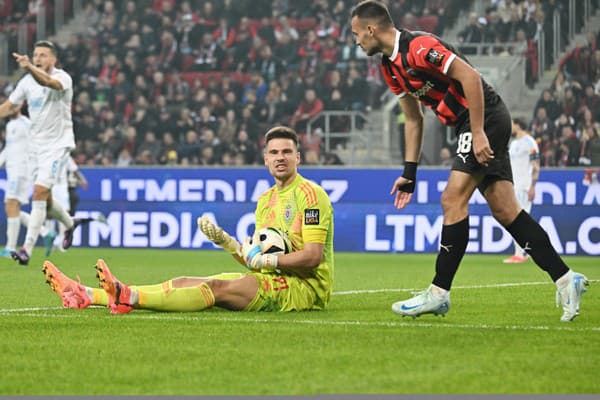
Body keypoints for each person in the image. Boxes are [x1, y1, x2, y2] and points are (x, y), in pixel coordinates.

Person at [350, 1, 588, 322]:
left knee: (452, 199)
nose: (355, 41)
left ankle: (438, 293)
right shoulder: (390, 68)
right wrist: (409, 172)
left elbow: (471, 78)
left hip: (484, 116)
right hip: (471, 123)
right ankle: (565, 278)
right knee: (506, 210)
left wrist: (477, 132)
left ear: (370, 29)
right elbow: (414, 120)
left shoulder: (420, 47)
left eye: (356, 34)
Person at [43, 126, 335, 314]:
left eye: (286, 152)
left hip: (303, 289)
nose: (280, 157)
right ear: (265, 160)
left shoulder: (311, 195)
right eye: (274, 152)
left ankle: (129, 297)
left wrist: (268, 263)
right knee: (185, 281)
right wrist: (228, 243)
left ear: (298, 157)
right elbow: (254, 261)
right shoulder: (266, 200)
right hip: (272, 277)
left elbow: (312, 257)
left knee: (216, 291)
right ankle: (85, 294)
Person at [0, 40, 89, 265]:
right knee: (45, 200)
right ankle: (70, 224)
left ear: (53, 59)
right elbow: (10, 106)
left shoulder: (63, 77)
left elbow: (50, 83)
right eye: (35, 55)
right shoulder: (26, 82)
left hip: (58, 144)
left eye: (43, 55)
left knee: (39, 191)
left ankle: (26, 249)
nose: (38, 58)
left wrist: (29, 66)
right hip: (36, 146)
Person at [0, 107, 57, 258]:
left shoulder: (26, 123)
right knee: (13, 209)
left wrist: (35, 167)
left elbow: (36, 145)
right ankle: (45, 232)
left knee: (11, 205)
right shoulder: (10, 125)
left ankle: (10, 248)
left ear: (19, 107)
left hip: (22, 171)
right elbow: (8, 149)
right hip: (13, 170)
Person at [503, 118, 540, 264]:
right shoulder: (514, 143)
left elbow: (536, 166)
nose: (510, 127)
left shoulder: (529, 142)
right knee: (519, 220)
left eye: (512, 124)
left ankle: (519, 254)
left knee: (518, 220)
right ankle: (528, 251)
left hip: (524, 186)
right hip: (513, 186)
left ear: (518, 125)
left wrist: (533, 186)